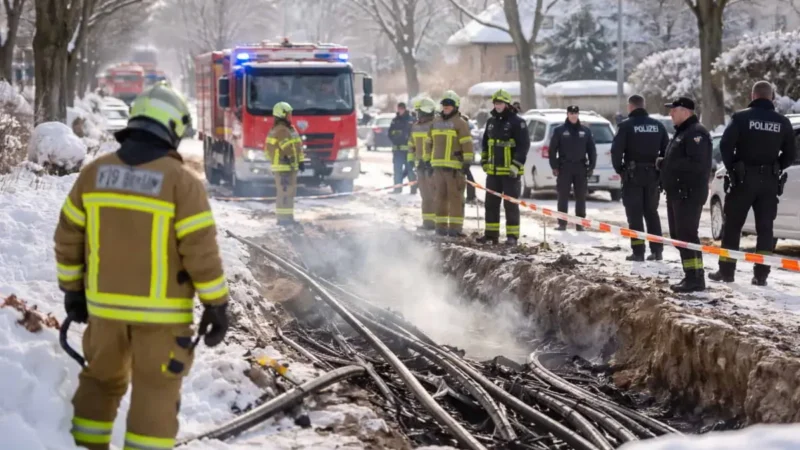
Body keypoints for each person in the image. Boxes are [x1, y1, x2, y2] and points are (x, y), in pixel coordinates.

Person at [55, 82, 229, 450]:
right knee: (155, 394)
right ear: (173, 128)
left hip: (104, 313)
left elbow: (68, 236)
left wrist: (73, 292)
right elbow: (201, 252)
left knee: (100, 383)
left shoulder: (93, 174)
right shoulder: (182, 183)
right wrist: (216, 304)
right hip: (161, 321)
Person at [710, 81, 796, 286]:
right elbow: (791, 154)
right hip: (769, 182)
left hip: (743, 179)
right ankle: (761, 275)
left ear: (753, 95)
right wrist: (776, 167)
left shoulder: (741, 118)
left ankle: (727, 271)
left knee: (732, 226)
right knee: (765, 229)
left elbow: (725, 145)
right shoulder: (782, 122)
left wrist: (733, 168)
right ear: (772, 96)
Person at [659, 97, 712, 292]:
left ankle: (695, 278)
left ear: (686, 111)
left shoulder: (696, 133)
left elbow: (697, 165)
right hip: (677, 193)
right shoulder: (682, 133)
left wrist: (668, 164)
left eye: (674, 109)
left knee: (687, 236)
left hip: (688, 194)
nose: (670, 113)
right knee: (679, 236)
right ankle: (693, 275)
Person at [611, 94, 670, 261]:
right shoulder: (658, 126)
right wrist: (660, 171)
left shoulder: (626, 126)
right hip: (653, 175)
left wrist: (620, 170)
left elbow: (616, 151)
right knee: (652, 213)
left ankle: (638, 252)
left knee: (634, 214)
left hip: (632, 175)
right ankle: (657, 250)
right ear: (643, 106)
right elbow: (667, 151)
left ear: (630, 107)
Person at [477, 89, 530, 245]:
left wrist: (516, 166)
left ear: (506, 104)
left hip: (510, 173)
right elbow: (485, 144)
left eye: (500, 103)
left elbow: (523, 146)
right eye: (495, 103)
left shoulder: (517, 122)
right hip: (493, 172)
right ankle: (491, 235)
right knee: (491, 204)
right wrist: (484, 162)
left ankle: (512, 236)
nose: (497, 105)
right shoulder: (491, 122)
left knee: (510, 205)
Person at [429, 90, 474, 237]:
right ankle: (440, 227)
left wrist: (467, 162)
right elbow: (429, 143)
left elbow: (466, 143)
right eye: (444, 104)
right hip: (437, 167)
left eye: (449, 104)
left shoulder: (460, 123)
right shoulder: (435, 122)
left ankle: (455, 229)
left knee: (455, 198)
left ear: (456, 106)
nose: (446, 107)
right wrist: (426, 160)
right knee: (439, 197)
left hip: (454, 168)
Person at [548, 105, 597, 231]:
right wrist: (554, 166)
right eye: (571, 113)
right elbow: (552, 150)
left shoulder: (585, 131)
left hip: (580, 167)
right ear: (567, 114)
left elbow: (591, 150)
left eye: (575, 113)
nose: (573, 115)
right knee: (563, 195)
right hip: (564, 167)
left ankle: (580, 223)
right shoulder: (560, 130)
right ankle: (562, 223)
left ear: (578, 114)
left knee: (580, 196)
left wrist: (591, 166)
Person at [265, 101, 304, 225]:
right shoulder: (281, 131)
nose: (290, 116)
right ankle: (283, 219)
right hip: (284, 167)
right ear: (282, 115)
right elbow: (288, 148)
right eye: (288, 114)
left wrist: (300, 160)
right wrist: (293, 160)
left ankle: (288, 217)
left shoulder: (288, 129)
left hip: (289, 167)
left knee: (289, 192)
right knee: (285, 193)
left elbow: (297, 146)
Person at [408, 97, 437, 230]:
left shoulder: (436, 125)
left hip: (433, 166)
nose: (417, 115)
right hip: (420, 166)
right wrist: (410, 162)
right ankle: (428, 222)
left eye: (419, 112)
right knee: (425, 195)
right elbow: (411, 145)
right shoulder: (415, 127)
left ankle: (438, 222)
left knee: (435, 195)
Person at [388, 102, 416, 194]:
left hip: (408, 151)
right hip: (397, 150)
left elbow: (412, 134)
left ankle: (413, 188)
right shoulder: (395, 120)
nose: (400, 110)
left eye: (401, 109)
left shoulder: (410, 120)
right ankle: (397, 188)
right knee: (397, 170)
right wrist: (397, 136)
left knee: (410, 170)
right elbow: (390, 133)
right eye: (399, 109)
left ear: (404, 109)